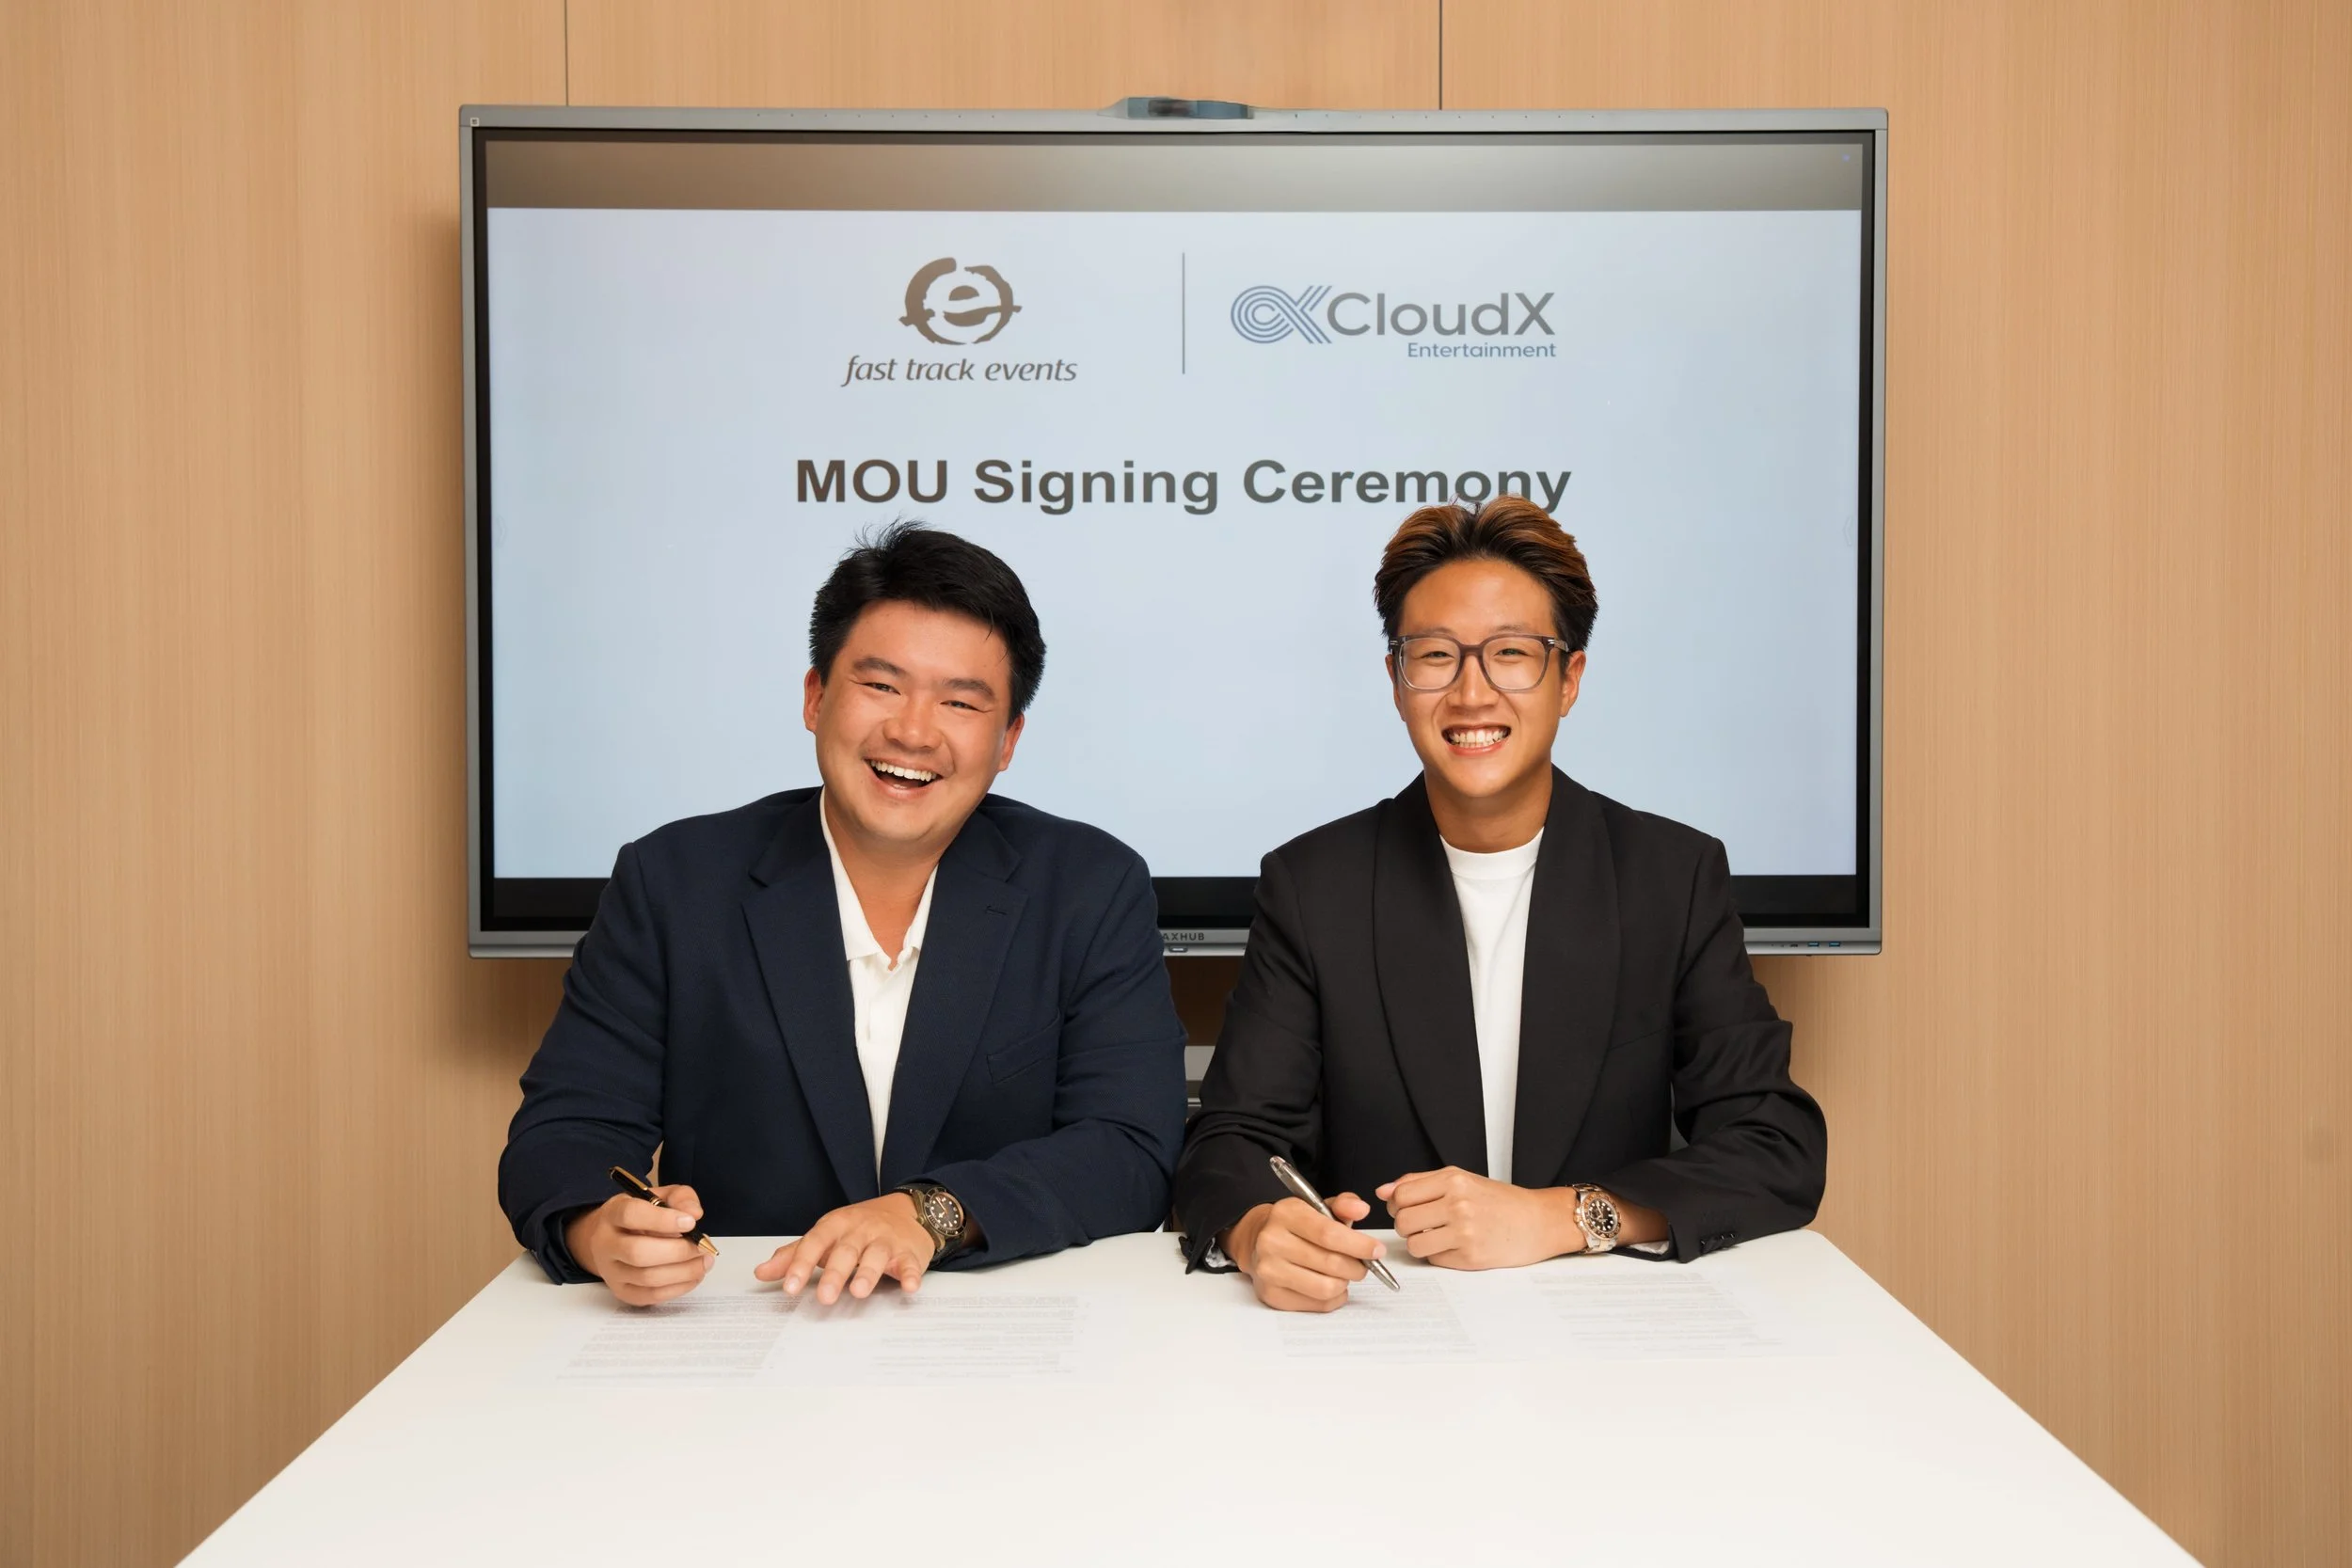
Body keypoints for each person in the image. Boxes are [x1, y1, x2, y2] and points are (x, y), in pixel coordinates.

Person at [500, 521, 1186, 1307]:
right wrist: (601, 1226)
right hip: (752, 1317)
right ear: (815, 697)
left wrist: (928, 1213)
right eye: (881, 686)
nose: (913, 731)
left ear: (1007, 741)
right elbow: (565, 1130)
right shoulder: (676, 881)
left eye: (961, 701)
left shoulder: (1090, 887)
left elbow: (1130, 1150)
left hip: (998, 1324)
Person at [1173, 496, 1827, 1311]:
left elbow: (1775, 1145)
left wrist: (1562, 1216)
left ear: (1569, 679)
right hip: (1383, 1329)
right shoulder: (1315, 884)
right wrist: (1257, 1230)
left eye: (1512, 653)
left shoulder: (1672, 875)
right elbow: (1231, 1142)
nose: (1472, 693)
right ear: (1396, 679)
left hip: (1608, 1330)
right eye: (1436, 655)